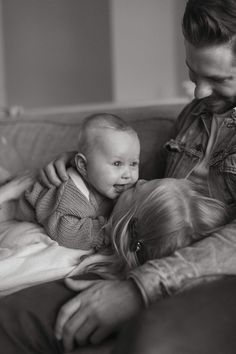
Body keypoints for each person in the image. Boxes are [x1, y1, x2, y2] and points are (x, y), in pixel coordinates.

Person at [1, 0, 236, 352]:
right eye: (193, 73)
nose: (199, 92)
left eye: (218, 79)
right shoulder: (195, 116)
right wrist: (89, 166)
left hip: (204, 276)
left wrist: (141, 287)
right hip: (135, 252)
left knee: (152, 342)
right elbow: (151, 189)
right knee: (14, 315)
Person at [0, 113, 140, 251]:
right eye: (117, 163)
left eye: (134, 163)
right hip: (13, 204)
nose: (128, 174)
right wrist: (107, 232)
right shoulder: (70, 194)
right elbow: (65, 232)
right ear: (83, 166)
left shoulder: (111, 185)